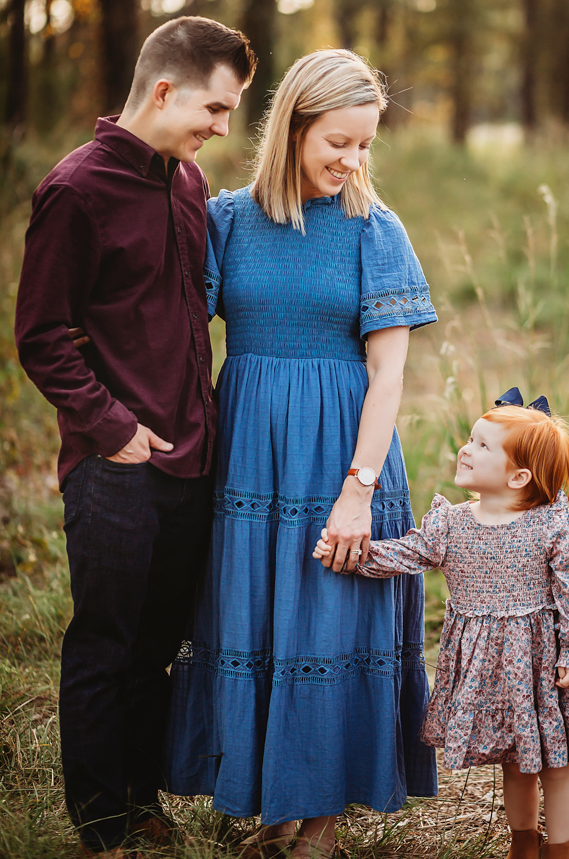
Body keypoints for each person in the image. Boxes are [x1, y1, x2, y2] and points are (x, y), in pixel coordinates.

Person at [165, 49, 439, 857]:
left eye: (364, 146)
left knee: (328, 625)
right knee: (256, 620)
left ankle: (317, 823)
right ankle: (271, 804)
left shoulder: (373, 229)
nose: (352, 162)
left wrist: (357, 491)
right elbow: (173, 328)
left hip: (342, 456)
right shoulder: (226, 220)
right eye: (338, 142)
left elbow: (387, 374)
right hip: (248, 459)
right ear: (293, 126)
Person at [14, 16, 256, 857]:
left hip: (194, 457)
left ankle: (140, 798)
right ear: (164, 91)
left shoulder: (184, 181)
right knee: (106, 644)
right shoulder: (76, 190)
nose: (221, 130)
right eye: (215, 110)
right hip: (117, 465)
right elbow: (40, 335)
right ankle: (99, 823)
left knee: (158, 644)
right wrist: (115, 429)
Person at [314, 388, 569, 859]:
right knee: (516, 763)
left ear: (519, 476)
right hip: (488, 666)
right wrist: (356, 555)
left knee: (557, 764)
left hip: (543, 663)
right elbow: (409, 552)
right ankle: (523, 842)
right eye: (470, 438)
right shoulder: (452, 523)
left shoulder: (553, 524)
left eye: (482, 446)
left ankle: (560, 849)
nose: (465, 448)